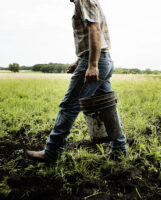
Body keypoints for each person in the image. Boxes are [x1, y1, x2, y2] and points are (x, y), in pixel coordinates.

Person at [25, 0, 127, 162]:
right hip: (104, 59)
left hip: (96, 60)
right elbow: (90, 36)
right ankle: (119, 150)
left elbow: (94, 30)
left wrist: (92, 65)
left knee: (69, 106)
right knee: (108, 107)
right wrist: (79, 61)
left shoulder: (83, 0)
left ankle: (51, 152)